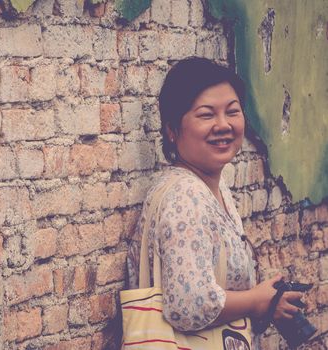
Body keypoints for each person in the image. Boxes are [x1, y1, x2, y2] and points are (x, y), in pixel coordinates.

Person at [126, 57, 303, 335]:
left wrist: (267, 302)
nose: (223, 125)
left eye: (232, 112)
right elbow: (188, 306)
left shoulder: (214, 189)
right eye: (206, 115)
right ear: (172, 130)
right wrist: (256, 300)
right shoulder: (185, 197)